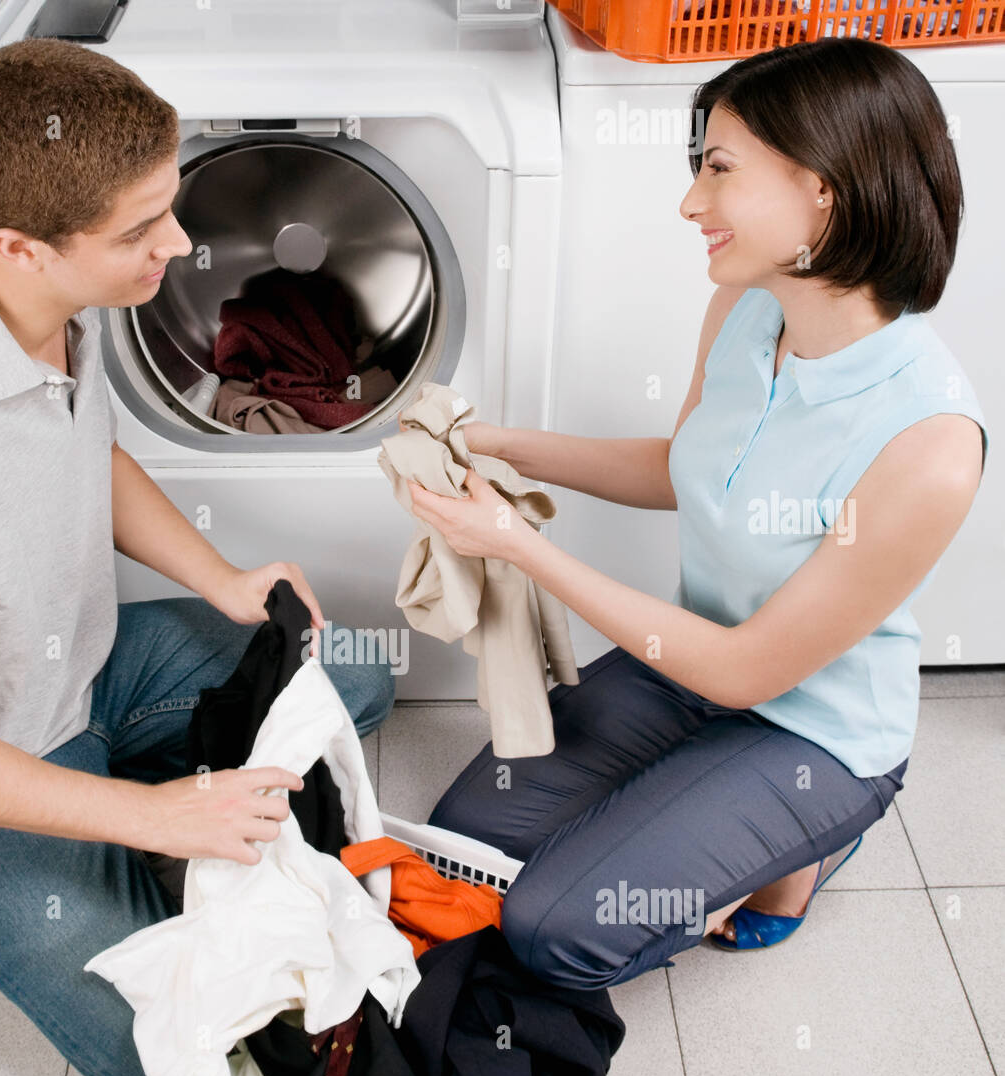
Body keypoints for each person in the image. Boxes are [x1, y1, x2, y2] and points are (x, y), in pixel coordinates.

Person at [0, 38, 394, 1076]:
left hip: (90, 672)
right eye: (139, 231)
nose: (176, 242)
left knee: (351, 682)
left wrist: (222, 580)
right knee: (173, 1052)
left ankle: (166, 801)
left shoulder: (50, 306)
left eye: (167, 207)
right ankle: (155, 819)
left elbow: (87, 450)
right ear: (24, 247)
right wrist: (155, 817)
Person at [411, 38, 989, 986]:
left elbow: (742, 671)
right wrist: (505, 446)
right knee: (466, 847)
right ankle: (722, 827)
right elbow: (684, 468)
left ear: (822, 191)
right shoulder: (750, 310)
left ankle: (795, 854)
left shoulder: (928, 442)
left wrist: (517, 544)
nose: (691, 203)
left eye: (719, 170)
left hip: (810, 730)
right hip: (686, 667)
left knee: (552, 926)